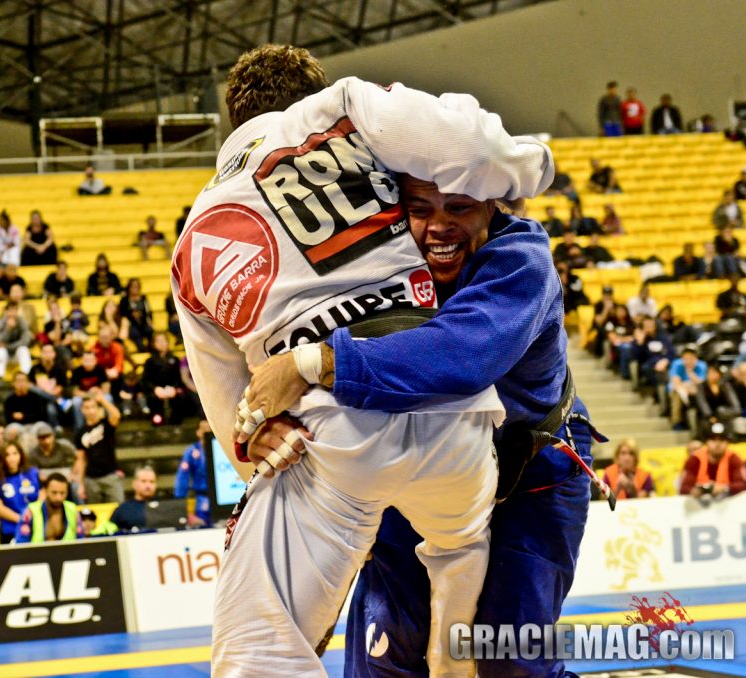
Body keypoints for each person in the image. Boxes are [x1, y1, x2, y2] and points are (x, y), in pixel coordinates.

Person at [175, 45, 554, 676]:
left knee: (260, 647)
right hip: (459, 422)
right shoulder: (343, 108)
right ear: (309, 93)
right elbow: (479, 152)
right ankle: (451, 654)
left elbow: (223, 388)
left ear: (230, 121)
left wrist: (251, 443)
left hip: (336, 429)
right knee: (459, 543)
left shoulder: (193, 233)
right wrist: (532, 167)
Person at [74, 390, 123, 504]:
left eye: (93, 407)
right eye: (87, 407)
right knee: (95, 514)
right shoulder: (80, 433)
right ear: (82, 410)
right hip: (91, 479)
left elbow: (116, 415)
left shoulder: (106, 425)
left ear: (97, 408)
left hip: (110, 475)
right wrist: (81, 484)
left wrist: (103, 400)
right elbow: (81, 460)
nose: (90, 410)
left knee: (117, 509)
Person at [679, 423, 746, 501]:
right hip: (700, 505)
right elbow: (684, 487)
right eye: (713, 440)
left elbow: (743, 484)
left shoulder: (734, 459)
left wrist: (724, 488)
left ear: (727, 443)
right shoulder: (695, 459)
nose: (717, 444)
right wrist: (695, 491)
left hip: (727, 504)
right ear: (707, 442)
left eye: (722, 440)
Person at [0, 442, 40, 544]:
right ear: (1, 458)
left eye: (15, 453)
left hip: (36, 524)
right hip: (11, 529)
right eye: (7, 455)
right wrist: (22, 520)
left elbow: (42, 496)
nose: (12, 458)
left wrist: (35, 518)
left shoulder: (33, 474)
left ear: (21, 455)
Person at [14, 472, 79, 543]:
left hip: (68, 553)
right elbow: (21, 543)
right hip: (37, 553)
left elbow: (81, 541)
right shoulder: (30, 511)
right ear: (45, 490)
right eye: (54, 492)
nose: (58, 498)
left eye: (62, 493)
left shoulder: (72, 509)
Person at [142, 332, 189, 425]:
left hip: (172, 389)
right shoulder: (150, 361)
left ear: (168, 342)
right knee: (152, 399)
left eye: (163, 341)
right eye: (158, 341)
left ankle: (175, 421)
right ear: (154, 344)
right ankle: (158, 421)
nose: (161, 343)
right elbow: (145, 380)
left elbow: (179, 378)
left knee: (181, 398)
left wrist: (174, 388)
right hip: (156, 390)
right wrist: (155, 389)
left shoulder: (175, 359)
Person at [175, 419, 212, 526]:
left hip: (223, 498)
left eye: (209, 429)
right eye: (204, 429)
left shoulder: (221, 448)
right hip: (202, 497)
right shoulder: (191, 451)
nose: (207, 432)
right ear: (198, 432)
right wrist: (180, 503)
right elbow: (182, 477)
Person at [103, 465, 158, 533]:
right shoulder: (122, 510)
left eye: (152, 482)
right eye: (143, 481)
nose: (148, 485)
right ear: (134, 484)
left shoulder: (164, 507)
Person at [669, 347, 708, 430]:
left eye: (691, 358)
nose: (688, 361)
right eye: (685, 358)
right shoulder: (677, 364)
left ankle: (705, 418)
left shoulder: (702, 365)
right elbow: (676, 382)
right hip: (679, 390)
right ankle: (676, 422)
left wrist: (690, 372)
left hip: (695, 390)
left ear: (695, 358)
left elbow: (702, 383)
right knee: (677, 394)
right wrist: (687, 387)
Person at [0, 302, 33, 380]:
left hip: (17, 352)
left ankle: (27, 376)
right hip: (5, 354)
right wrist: (8, 329)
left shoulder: (22, 322)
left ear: (17, 311)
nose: (12, 313)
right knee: (0, 351)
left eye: (14, 310)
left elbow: (25, 341)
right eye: (10, 311)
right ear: (6, 312)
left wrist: (7, 346)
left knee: (24, 350)